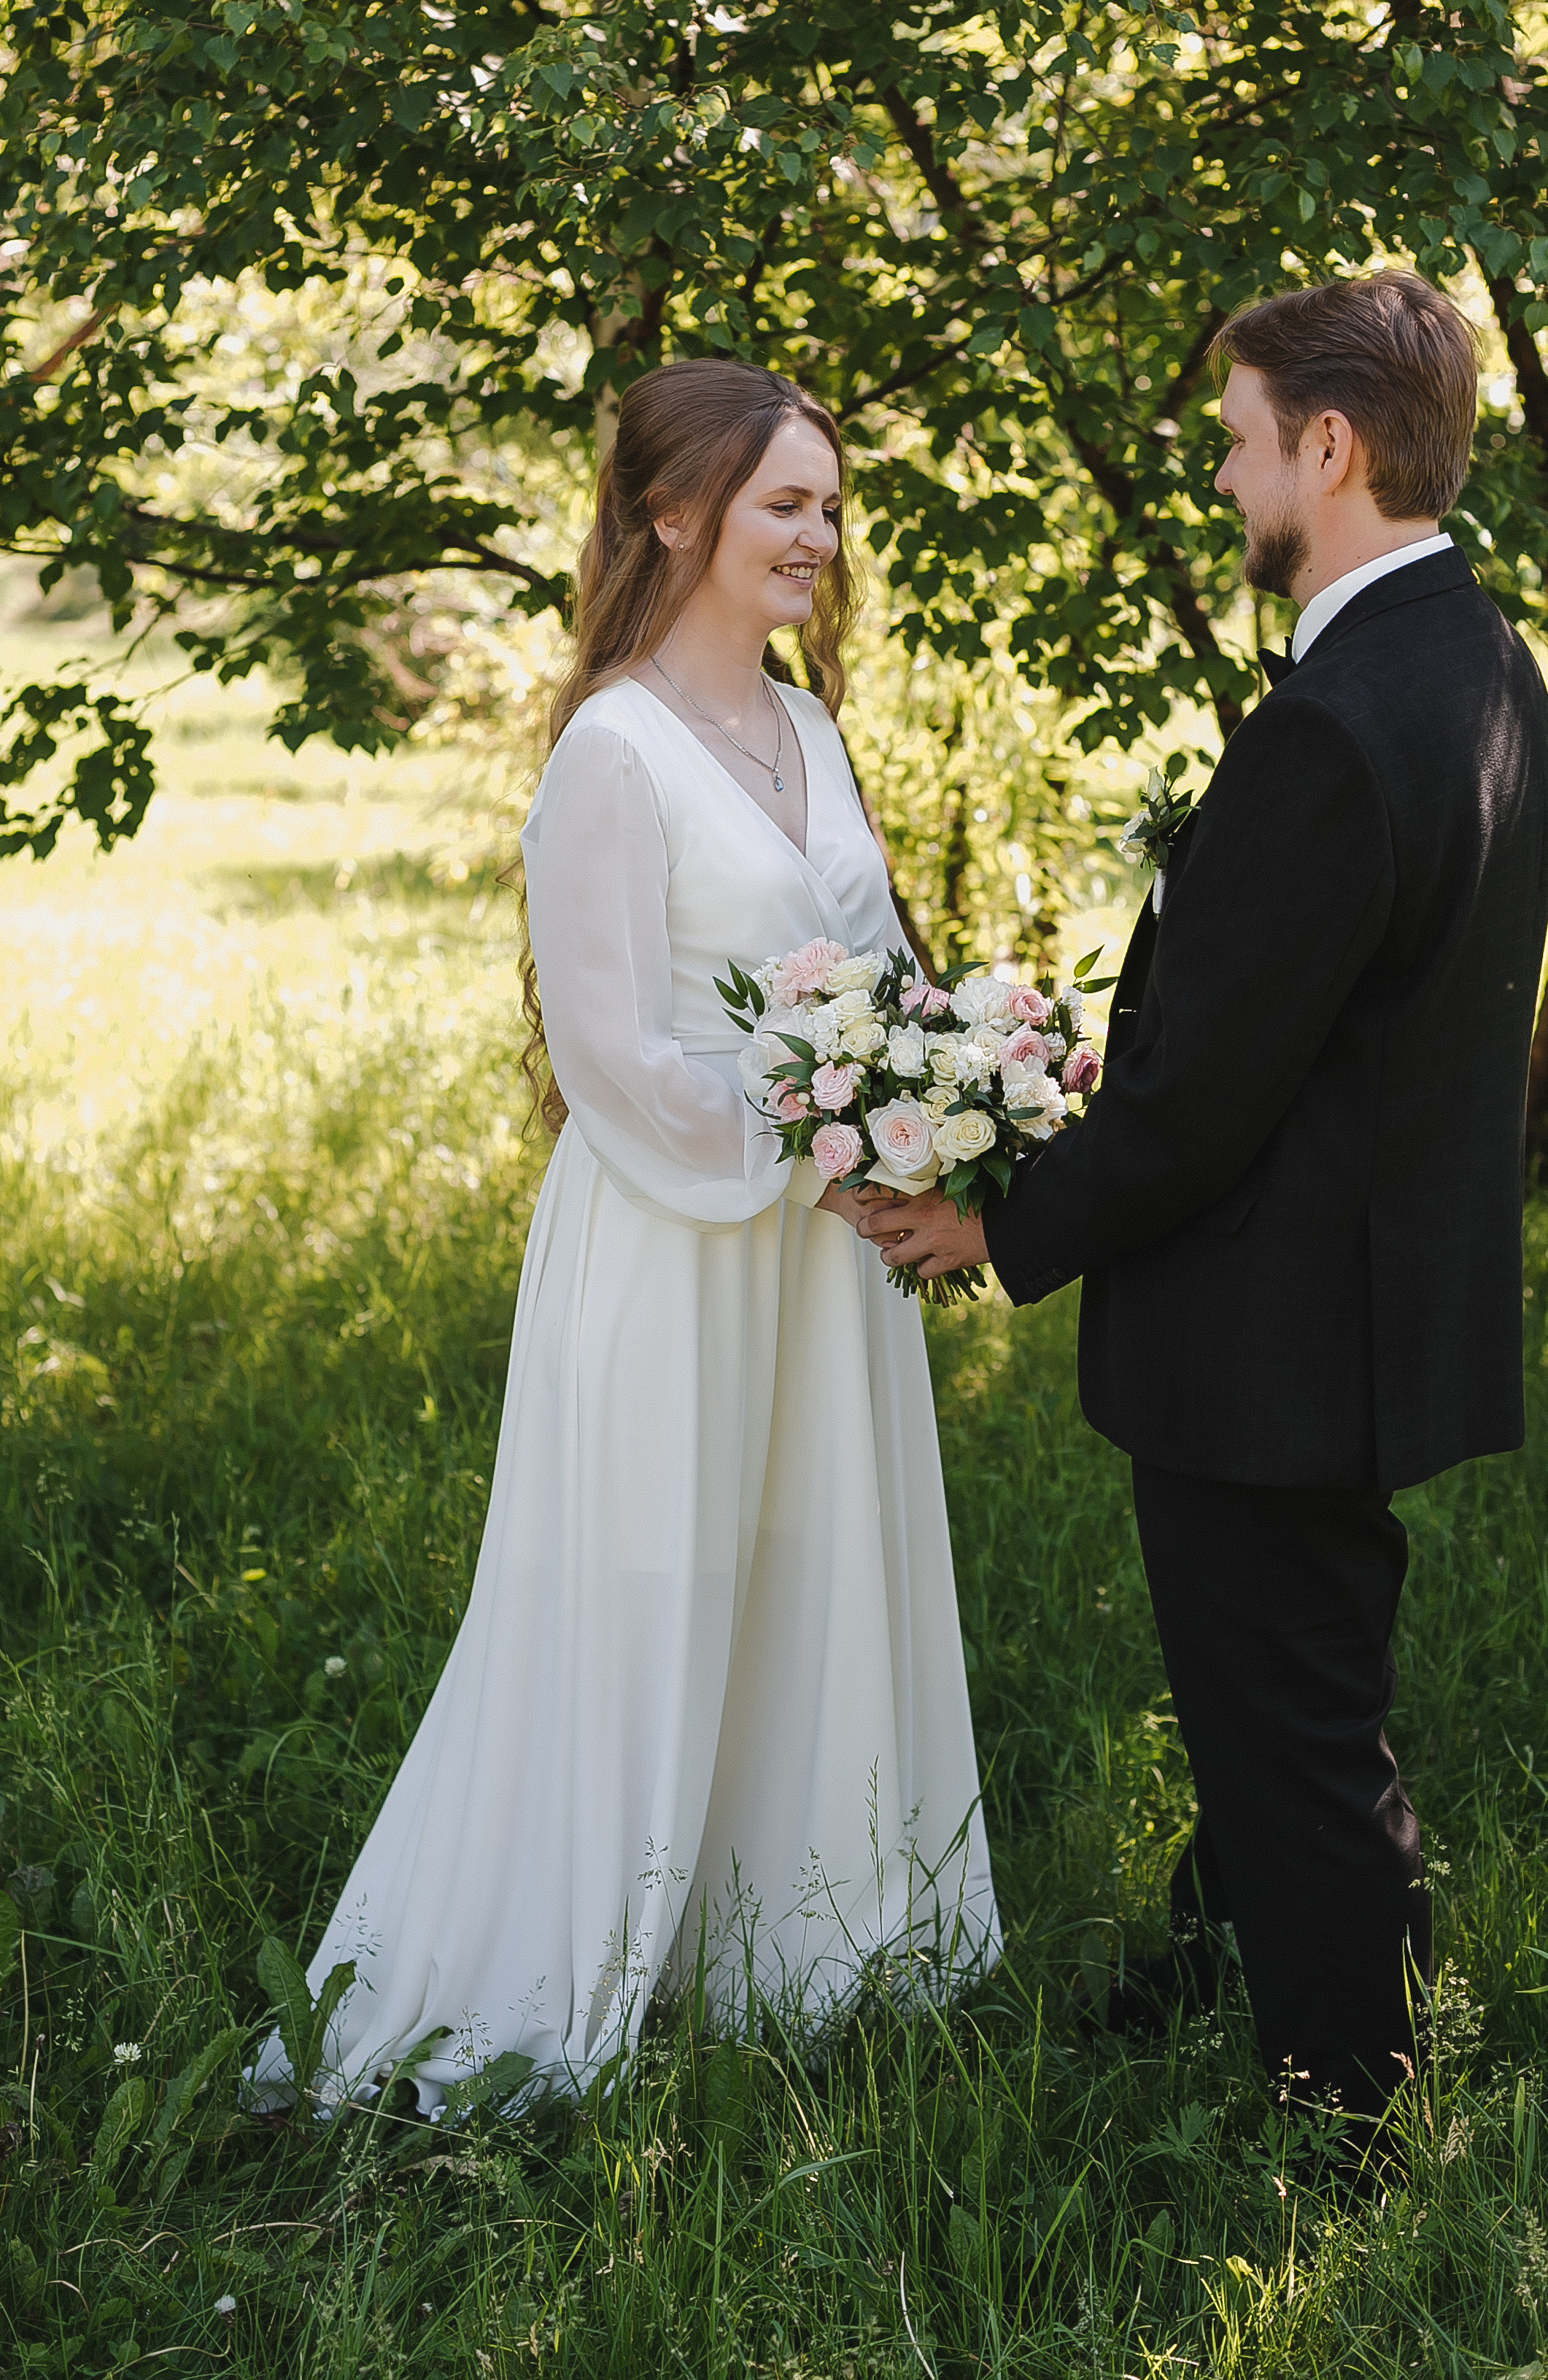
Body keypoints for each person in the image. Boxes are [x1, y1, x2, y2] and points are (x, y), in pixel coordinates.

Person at [861, 272, 1548, 2142]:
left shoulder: (1339, 720)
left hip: (1272, 1323)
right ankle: (1200, 1961)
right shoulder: (1483, 662)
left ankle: (1359, 2110)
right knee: (1290, 1670)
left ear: (1328, 446)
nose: (1229, 480)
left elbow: (1206, 1098)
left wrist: (1001, 1230)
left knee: (1294, 1710)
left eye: (1243, 443)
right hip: (1370, 1299)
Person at [251, 360, 997, 2114]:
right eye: (783, 504)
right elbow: (610, 1055)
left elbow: (883, 975)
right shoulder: (611, 747)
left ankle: (802, 1955)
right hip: (675, 1234)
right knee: (647, 1587)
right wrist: (808, 1144)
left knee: (815, 1573)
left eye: (827, 503)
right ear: (676, 516)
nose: (818, 535)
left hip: (819, 1263)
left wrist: (946, 1092)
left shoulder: (809, 731)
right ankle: (559, 1964)